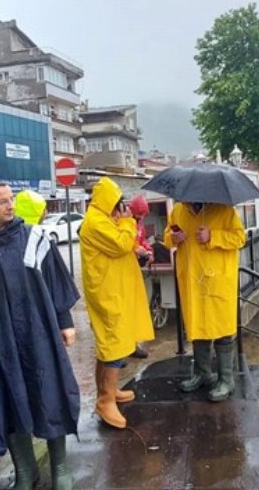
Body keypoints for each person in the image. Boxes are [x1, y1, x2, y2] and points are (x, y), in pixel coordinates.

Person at [0, 180, 80, 490]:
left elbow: (55, 282)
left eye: (11, 199)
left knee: (49, 393)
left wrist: (65, 321)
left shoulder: (34, 238)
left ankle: (60, 467)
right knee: (6, 401)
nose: (10, 206)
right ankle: (25, 470)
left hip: (38, 334)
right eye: (1, 201)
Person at [80, 177, 154, 429]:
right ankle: (105, 400)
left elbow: (126, 244)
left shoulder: (104, 219)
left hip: (115, 288)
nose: (120, 208)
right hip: (107, 292)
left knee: (110, 343)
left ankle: (108, 392)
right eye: (116, 203)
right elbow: (122, 244)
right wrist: (128, 221)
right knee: (113, 343)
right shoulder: (96, 222)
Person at [164, 201, 246, 402]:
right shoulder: (178, 211)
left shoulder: (224, 209)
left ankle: (227, 380)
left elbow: (240, 237)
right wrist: (173, 238)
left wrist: (213, 236)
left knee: (222, 330)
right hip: (193, 282)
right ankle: (203, 373)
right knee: (198, 327)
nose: (187, 202)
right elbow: (166, 237)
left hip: (217, 281)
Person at [127, 194, 154, 359]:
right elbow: (122, 243)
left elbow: (141, 240)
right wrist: (136, 248)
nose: (141, 217)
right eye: (140, 214)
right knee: (123, 312)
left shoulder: (138, 225)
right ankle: (120, 353)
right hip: (124, 271)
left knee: (133, 311)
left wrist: (148, 250)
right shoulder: (124, 222)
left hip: (134, 271)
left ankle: (133, 345)